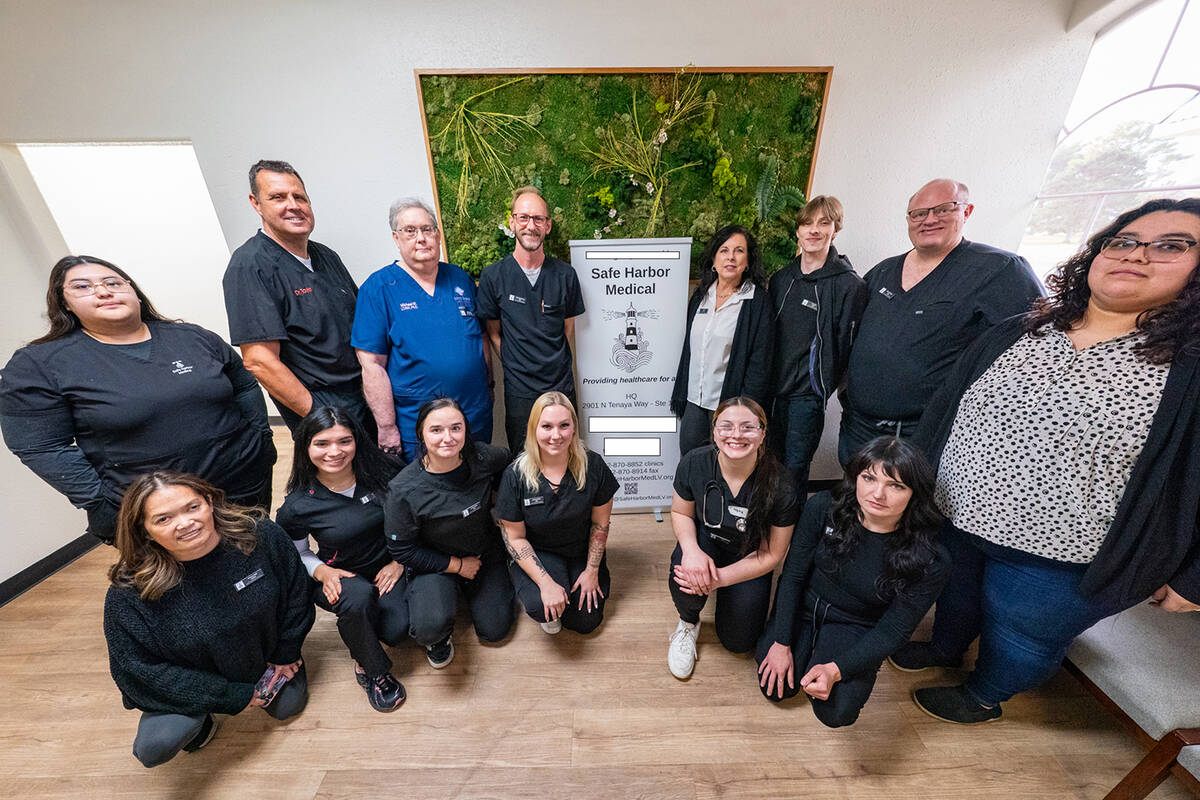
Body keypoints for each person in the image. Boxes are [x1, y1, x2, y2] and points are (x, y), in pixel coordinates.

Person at [890, 198, 1200, 724]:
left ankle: (984, 695)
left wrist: (1195, 578)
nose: (1138, 255)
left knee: (1021, 637)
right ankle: (943, 650)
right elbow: (947, 408)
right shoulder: (1021, 330)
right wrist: (911, 482)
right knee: (954, 598)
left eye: (1171, 246)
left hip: (1064, 557)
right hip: (955, 518)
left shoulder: (1188, 368)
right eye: (1122, 241)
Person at [0, 256, 276, 543]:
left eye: (113, 283)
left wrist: (261, 439)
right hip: (154, 510)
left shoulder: (192, 337)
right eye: (83, 286)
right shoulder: (39, 364)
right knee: (185, 583)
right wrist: (99, 499)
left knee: (256, 561)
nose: (104, 291)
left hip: (242, 484)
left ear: (134, 292)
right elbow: (38, 445)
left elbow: (244, 385)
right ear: (64, 303)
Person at [102, 471, 314, 768]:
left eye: (193, 507)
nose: (186, 523)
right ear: (145, 530)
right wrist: (227, 696)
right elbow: (136, 670)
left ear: (210, 502)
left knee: (287, 708)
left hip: (266, 661)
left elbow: (297, 591)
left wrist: (286, 652)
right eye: (164, 519)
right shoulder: (128, 593)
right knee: (155, 746)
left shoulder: (260, 535)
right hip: (197, 680)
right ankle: (202, 721)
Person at [838, 179, 1043, 463]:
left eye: (943, 210)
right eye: (919, 213)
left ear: (967, 211)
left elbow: (1033, 347)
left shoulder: (1000, 271)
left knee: (909, 505)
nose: (929, 219)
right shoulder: (883, 271)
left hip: (922, 434)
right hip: (858, 426)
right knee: (855, 499)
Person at [755, 437, 949, 727]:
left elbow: (894, 630)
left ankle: (841, 664)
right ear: (855, 477)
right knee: (776, 689)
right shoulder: (823, 506)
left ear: (914, 493)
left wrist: (836, 670)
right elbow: (792, 575)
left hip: (857, 624)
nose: (878, 493)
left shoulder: (932, 559)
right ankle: (798, 649)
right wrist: (781, 642)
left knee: (836, 711)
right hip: (806, 609)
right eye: (869, 478)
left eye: (895, 485)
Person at [275, 407, 407, 712]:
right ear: (306, 447)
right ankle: (372, 670)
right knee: (358, 598)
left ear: (357, 441)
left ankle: (363, 628)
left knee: (397, 631)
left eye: (344, 441)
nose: (334, 452)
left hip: (388, 568)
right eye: (322, 443)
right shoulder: (298, 505)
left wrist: (400, 562)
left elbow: (413, 520)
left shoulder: (385, 473)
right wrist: (321, 572)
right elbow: (297, 554)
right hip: (338, 576)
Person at [222, 159, 366, 433]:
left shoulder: (325, 255)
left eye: (299, 197)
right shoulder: (251, 266)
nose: (293, 205)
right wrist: (320, 418)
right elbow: (259, 361)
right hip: (323, 403)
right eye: (278, 197)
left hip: (361, 392)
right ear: (256, 203)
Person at [666, 397, 797, 680]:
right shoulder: (694, 463)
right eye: (726, 426)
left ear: (763, 434)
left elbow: (773, 554)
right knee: (684, 574)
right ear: (714, 431)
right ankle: (688, 623)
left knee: (739, 643)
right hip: (706, 541)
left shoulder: (781, 484)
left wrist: (721, 579)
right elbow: (680, 512)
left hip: (749, 554)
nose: (736, 435)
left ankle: (728, 596)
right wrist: (691, 551)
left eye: (748, 428)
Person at [352, 199, 491, 461]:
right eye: (410, 231)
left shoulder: (460, 279)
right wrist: (386, 427)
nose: (421, 238)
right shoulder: (379, 288)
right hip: (417, 423)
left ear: (438, 235)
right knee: (427, 494)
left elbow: (480, 337)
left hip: (473, 414)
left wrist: (490, 385)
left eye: (428, 230)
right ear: (396, 237)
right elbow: (371, 365)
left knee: (475, 486)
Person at [385, 398, 515, 666]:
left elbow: (510, 465)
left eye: (456, 428)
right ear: (420, 432)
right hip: (434, 560)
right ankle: (438, 634)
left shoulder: (482, 458)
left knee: (495, 630)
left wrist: (499, 503)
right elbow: (402, 550)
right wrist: (458, 566)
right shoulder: (403, 490)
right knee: (429, 627)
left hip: (483, 551)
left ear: (465, 430)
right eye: (436, 430)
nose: (447, 438)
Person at [495, 391, 619, 634]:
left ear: (574, 427)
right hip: (538, 550)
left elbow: (600, 525)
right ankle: (539, 589)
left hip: (580, 549)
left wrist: (591, 571)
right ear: (534, 429)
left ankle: (567, 593)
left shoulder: (593, 465)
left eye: (564, 425)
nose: (556, 435)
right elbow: (515, 537)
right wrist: (545, 583)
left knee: (585, 621)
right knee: (543, 606)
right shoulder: (515, 475)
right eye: (547, 426)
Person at [768, 196, 867, 497]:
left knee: (794, 470)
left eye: (824, 223)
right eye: (807, 223)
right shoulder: (781, 279)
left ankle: (789, 538)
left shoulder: (850, 286)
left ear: (835, 230)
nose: (814, 230)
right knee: (767, 466)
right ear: (797, 230)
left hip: (806, 399)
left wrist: (821, 386)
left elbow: (851, 350)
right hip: (770, 394)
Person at [476, 187, 585, 451]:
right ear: (512, 222)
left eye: (538, 219)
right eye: (523, 217)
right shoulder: (493, 277)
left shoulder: (565, 275)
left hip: (560, 387)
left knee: (564, 455)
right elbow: (493, 332)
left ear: (547, 226)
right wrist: (518, 362)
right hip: (519, 391)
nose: (531, 225)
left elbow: (567, 327)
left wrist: (548, 360)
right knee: (523, 462)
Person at [671, 225, 774, 456]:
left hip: (729, 404)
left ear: (747, 261)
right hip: (695, 401)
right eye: (724, 250)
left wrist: (745, 411)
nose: (730, 257)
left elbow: (761, 364)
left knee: (727, 466)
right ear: (714, 260)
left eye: (739, 251)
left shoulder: (757, 302)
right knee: (690, 463)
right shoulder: (700, 296)